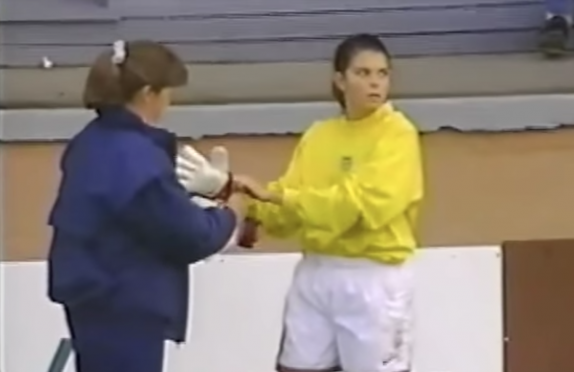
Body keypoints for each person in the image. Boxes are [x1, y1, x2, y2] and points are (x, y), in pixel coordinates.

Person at [47, 40, 247, 372]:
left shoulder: (90, 141)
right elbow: (190, 236)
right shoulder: (136, 157)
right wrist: (232, 209)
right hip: (125, 302)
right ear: (148, 93)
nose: (170, 101)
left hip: (91, 297)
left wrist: (185, 194)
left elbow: (139, 214)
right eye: (168, 92)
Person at [234, 33, 424, 372]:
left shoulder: (398, 134)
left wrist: (276, 196)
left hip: (374, 276)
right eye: (362, 73)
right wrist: (239, 197)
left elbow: (361, 207)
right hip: (317, 270)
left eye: (382, 73)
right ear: (339, 80)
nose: (375, 83)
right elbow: (289, 210)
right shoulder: (319, 134)